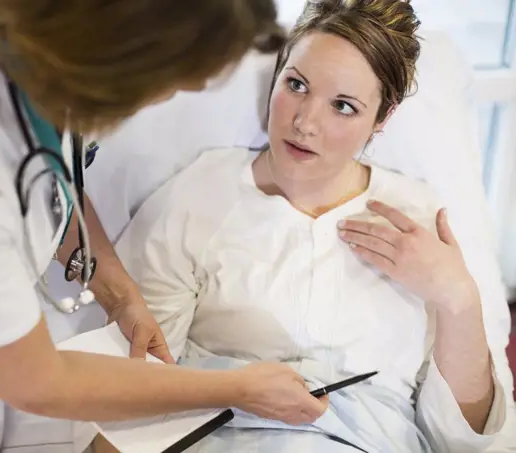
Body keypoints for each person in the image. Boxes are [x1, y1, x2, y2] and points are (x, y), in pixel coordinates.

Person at [0, 0, 332, 452]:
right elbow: (40, 383)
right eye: (171, 84)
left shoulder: (37, 39)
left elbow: (51, 175)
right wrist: (237, 389)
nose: (167, 100)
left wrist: (119, 292)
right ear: (112, 62)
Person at [102, 0, 509, 451]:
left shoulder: (418, 217)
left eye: (343, 106)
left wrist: (457, 298)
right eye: (296, 84)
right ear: (276, 74)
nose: (304, 122)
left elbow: (463, 440)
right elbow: (138, 384)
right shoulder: (200, 195)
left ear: (383, 118)